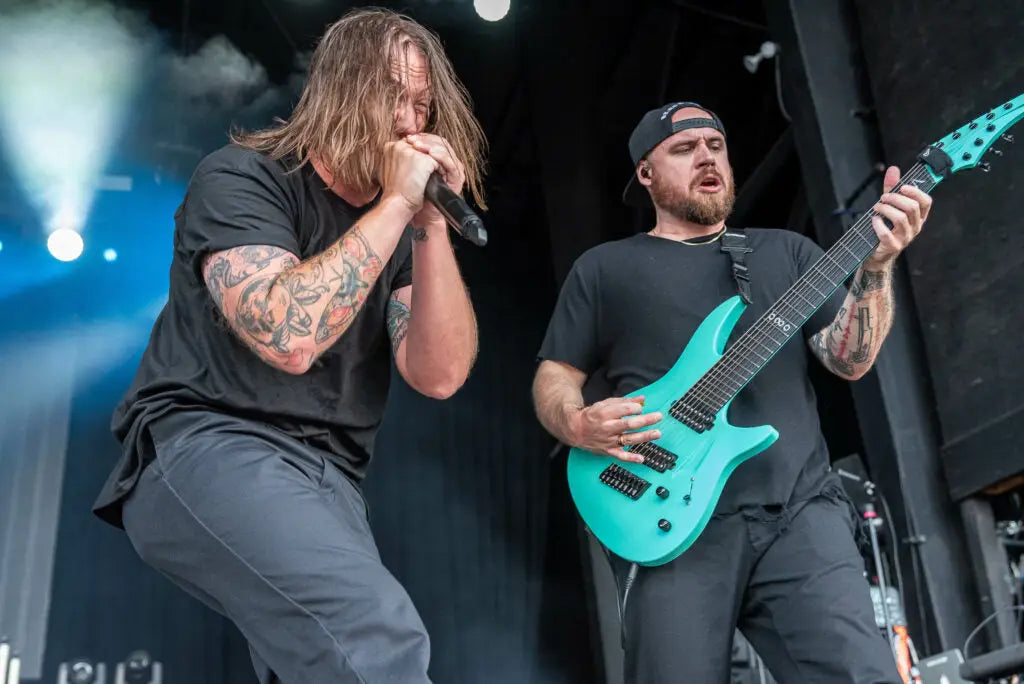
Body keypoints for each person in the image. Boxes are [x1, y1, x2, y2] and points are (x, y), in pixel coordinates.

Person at [93, 8, 485, 683]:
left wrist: (427, 226)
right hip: (211, 442)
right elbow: (288, 336)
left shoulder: (394, 229)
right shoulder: (245, 178)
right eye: (394, 96)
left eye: (423, 105)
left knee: (320, 663)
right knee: (374, 633)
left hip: (331, 478)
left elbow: (440, 374)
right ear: (338, 91)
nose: (411, 123)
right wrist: (395, 205)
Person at [532, 101, 931, 683]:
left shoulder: (785, 252)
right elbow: (555, 374)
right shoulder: (604, 269)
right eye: (684, 149)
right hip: (666, 517)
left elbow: (849, 360)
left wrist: (878, 265)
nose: (707, 158)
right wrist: (574, 423)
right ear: (646, 174)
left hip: (798, 512)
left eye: (715, 146)